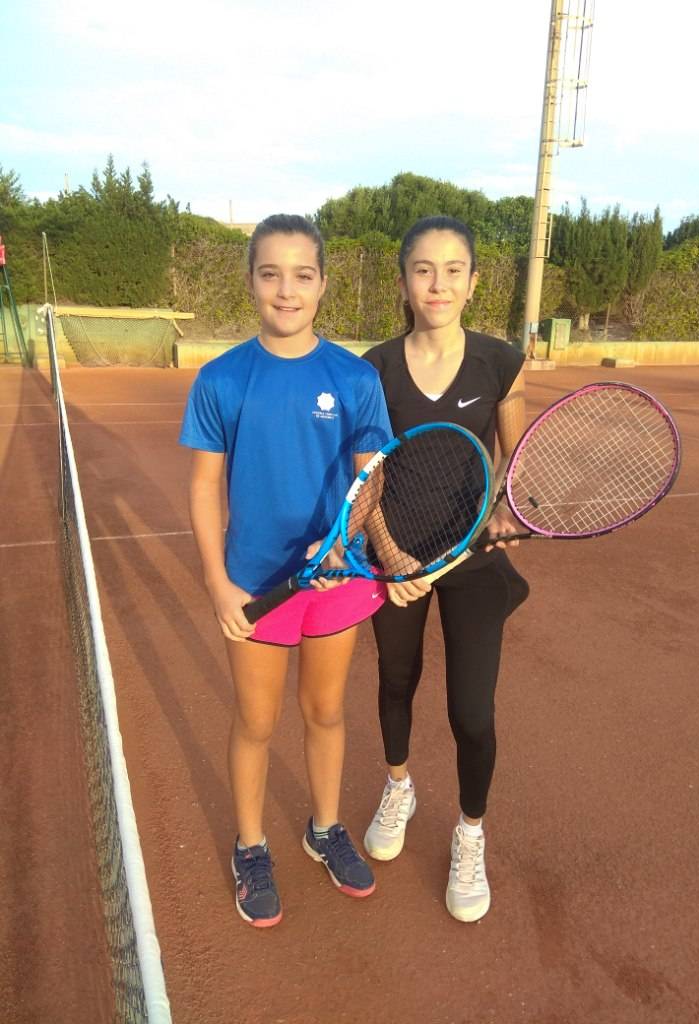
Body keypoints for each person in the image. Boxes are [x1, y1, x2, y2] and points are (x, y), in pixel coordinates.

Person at [179, 215, 392, 927]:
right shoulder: (222, 379)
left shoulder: (355, 377)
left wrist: (342, 543)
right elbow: (204, 486)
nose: (286, 290)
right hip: (255, 586)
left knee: (326, 711)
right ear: (251, 282)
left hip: (337, 581)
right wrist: (218, 583)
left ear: (323, 283)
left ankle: (324, 829)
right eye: (270, 274)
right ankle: (250, 847)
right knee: (256, 720)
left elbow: (371, 479)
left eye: (302, 275)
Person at [361, 216, 530, 923]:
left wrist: (507, 509)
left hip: (473, 561)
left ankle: (470, 833)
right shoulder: (374, 368)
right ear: (404, 282)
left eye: (453, 270)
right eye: (423, 270)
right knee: (396, 681)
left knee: (471, 711)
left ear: (473, 282)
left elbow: (515, 461)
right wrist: (389, 551)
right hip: (397, 558)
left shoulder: (500, 362)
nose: (438, 284)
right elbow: (367, 476)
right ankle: (399, 787)